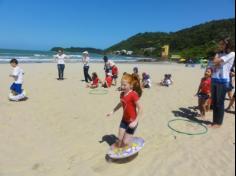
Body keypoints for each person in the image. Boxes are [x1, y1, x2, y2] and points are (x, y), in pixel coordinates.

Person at [107, 73, 142, 149]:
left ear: (131, 85)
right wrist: (112, 111)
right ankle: (123, 143)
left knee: (125, 142)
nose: (122, 87)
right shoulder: (122, 94)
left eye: (124, 85)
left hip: (132, 122)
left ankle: (130, 143)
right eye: (121, 85)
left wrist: (135, 121)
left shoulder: (133, 94)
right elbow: (121, 103)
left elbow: (140, 108)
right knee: (119, 139)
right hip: (124, 120)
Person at [210, 37, 235, 128]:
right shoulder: (219, 53)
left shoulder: (232, 53)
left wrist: (216, 60)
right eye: (220, 44)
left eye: (222, 44)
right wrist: (216, 59)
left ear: (227, 44)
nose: (220, 45)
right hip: (214, 79)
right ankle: (214, 121)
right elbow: (214, 63)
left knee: (219, 103)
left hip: (223, 81)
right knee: (214, 102)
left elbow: (216, 61)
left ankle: (218, 123)